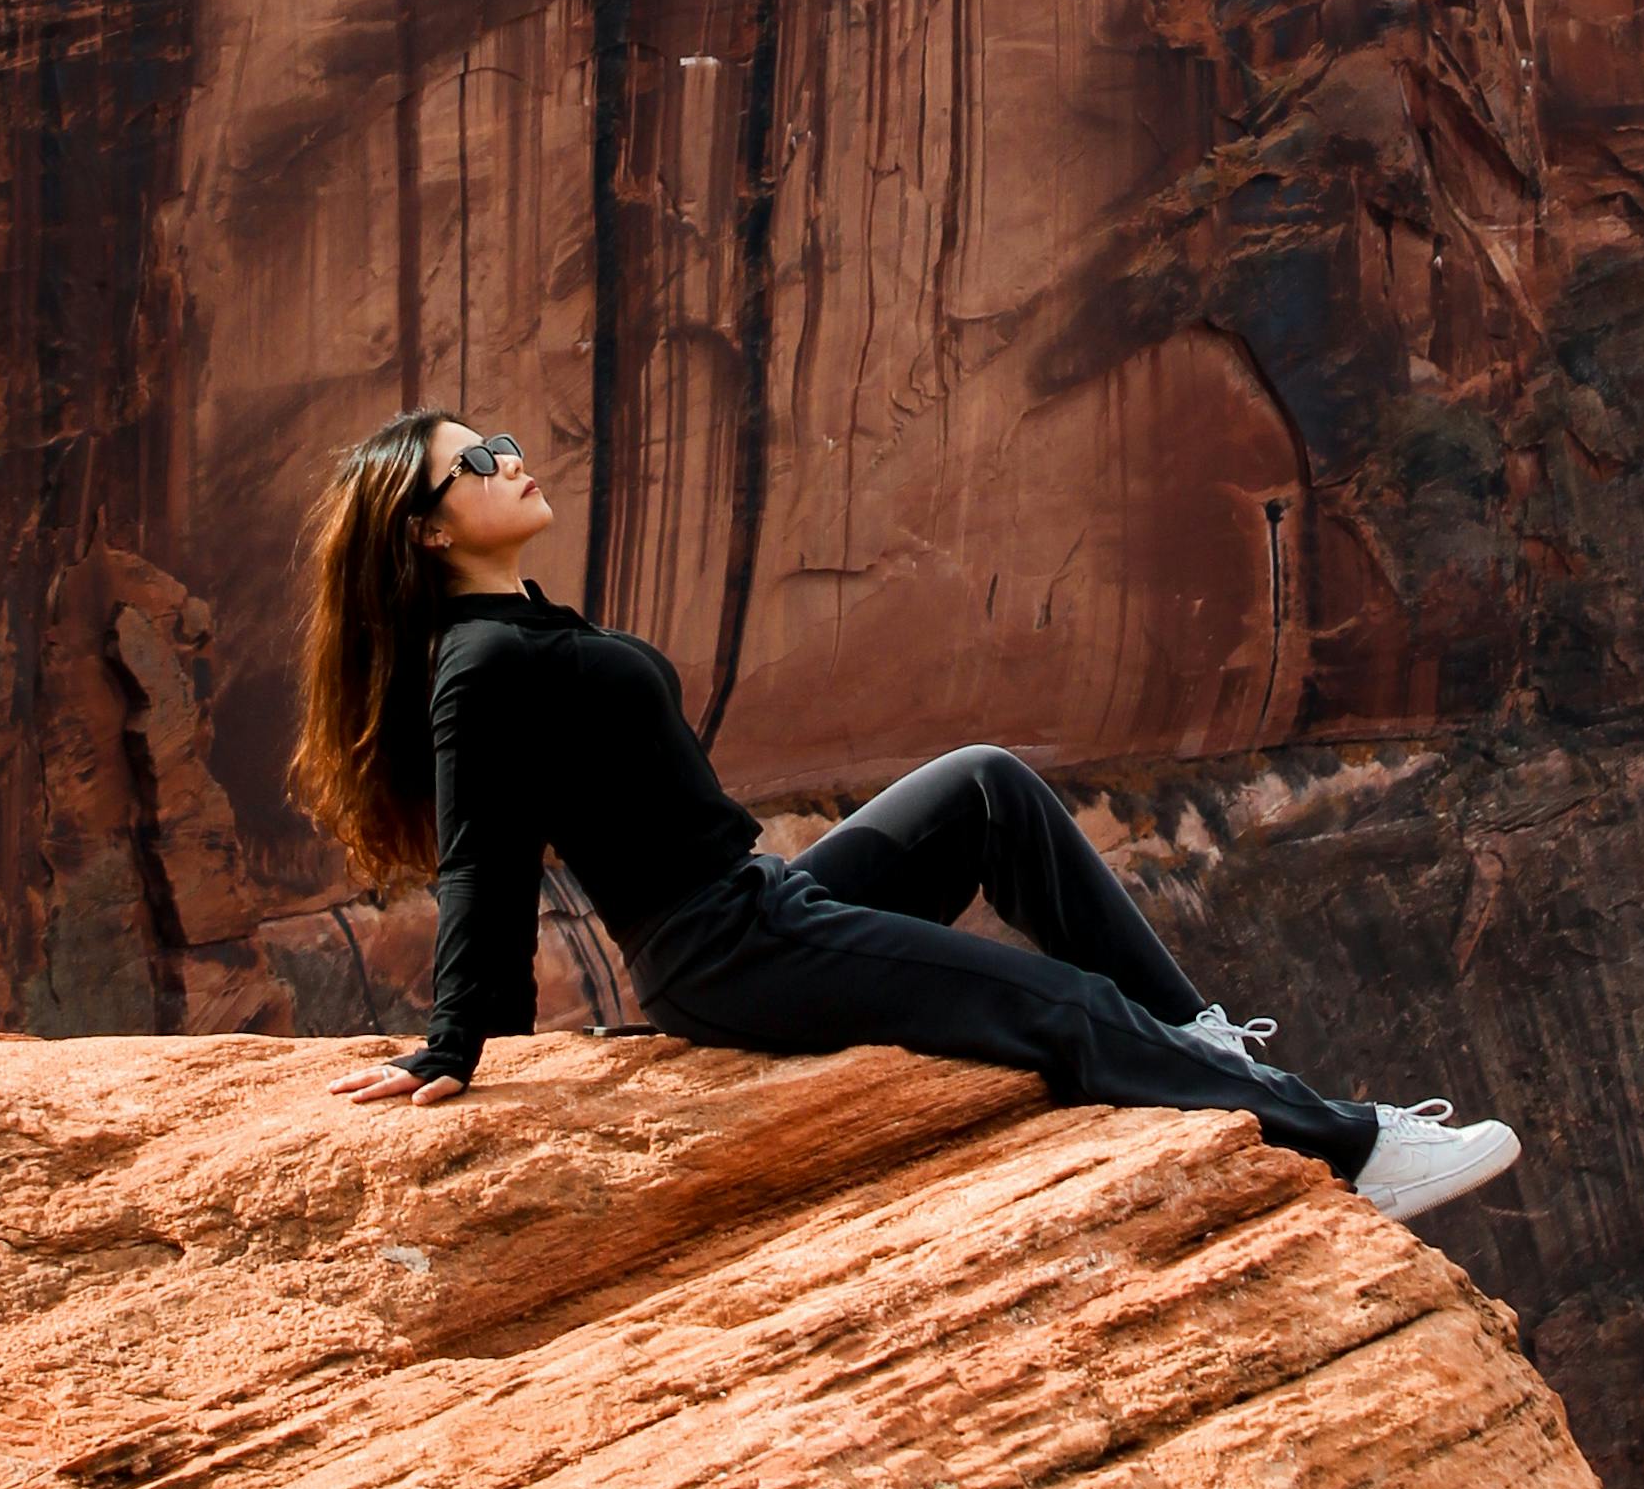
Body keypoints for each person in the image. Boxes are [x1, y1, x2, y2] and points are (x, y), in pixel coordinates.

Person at [291, 406, 1521, 1228]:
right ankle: (1348, 1152)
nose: (511, 458)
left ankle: (1203, 1045)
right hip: (727, 953)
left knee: (987, 784)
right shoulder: (482, 665)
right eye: (477, 460)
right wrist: (454, 1045)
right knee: (1060, 1009)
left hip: (765, 905)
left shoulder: (529, 627)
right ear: (429, 527)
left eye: (497, 439)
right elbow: (480, 862)